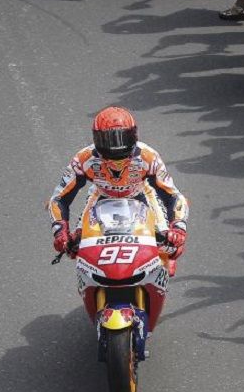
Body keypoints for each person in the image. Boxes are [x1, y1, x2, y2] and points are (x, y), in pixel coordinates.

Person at [48, 107, 189, 277]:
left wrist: (178, 226)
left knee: (173, 247)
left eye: (123, 137)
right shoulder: (84, 158)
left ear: (134, 135)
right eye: (108, 139)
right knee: (73, 249)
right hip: (100, 197)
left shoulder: (148, 157)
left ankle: (159, 264)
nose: (116, 145)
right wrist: (60, 230)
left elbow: (174, 195)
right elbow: (59, 198)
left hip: (141, 194)